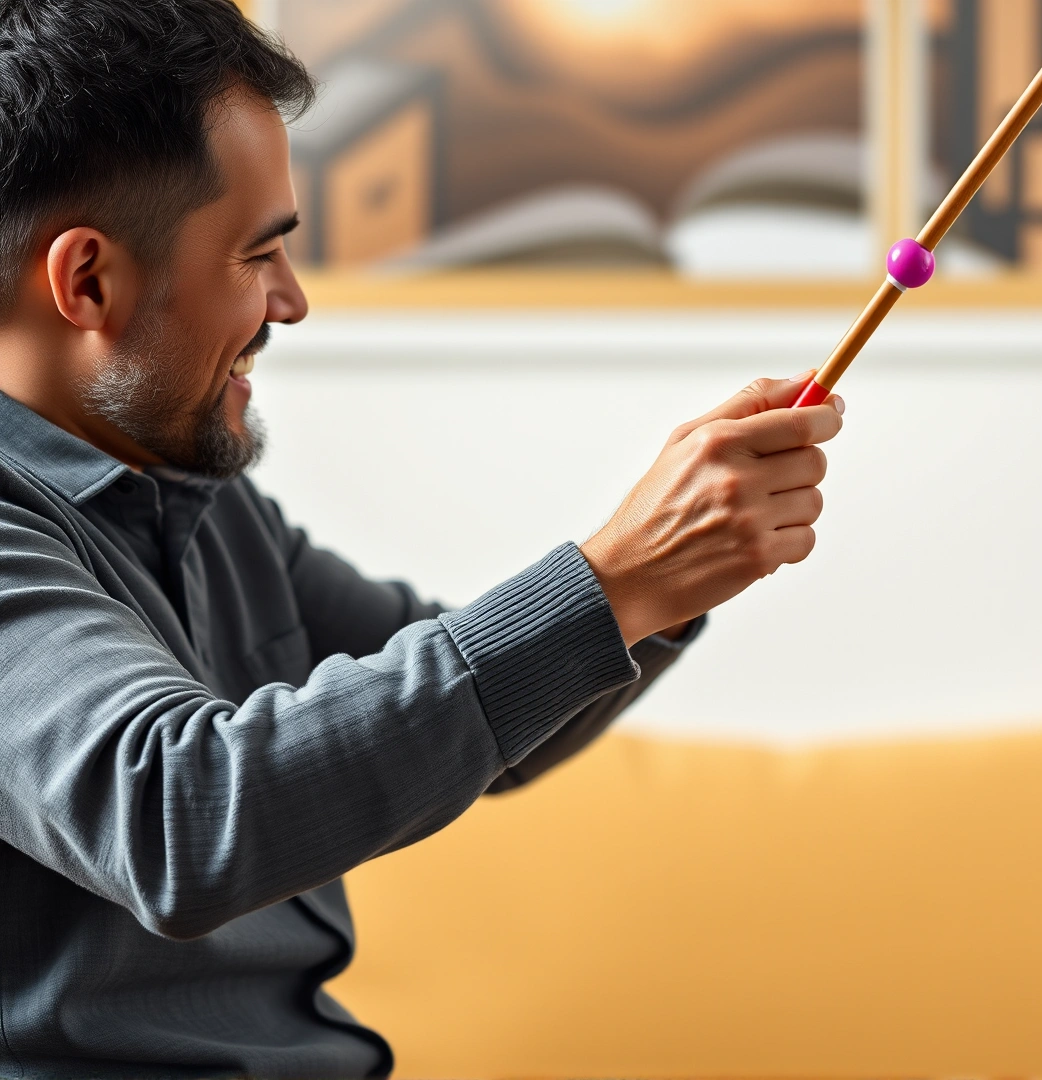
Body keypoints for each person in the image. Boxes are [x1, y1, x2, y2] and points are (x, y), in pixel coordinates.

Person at [0, 2, 843, 1075]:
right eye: (259, 254)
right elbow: (180, 814)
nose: (292, 303)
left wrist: (670, 578)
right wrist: (617, 579)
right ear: (88, 283)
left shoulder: (197, 499)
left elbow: (477, 710)